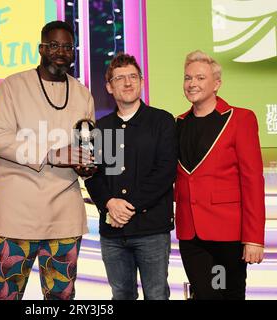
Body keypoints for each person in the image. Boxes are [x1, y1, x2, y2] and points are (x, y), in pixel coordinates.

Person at [0, 20, 95, 300]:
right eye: (54, 45)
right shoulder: (14, 85)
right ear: (41, 49)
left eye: (67, 47)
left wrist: (86, 165)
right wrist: (49, 154)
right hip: (17, 215)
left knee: (62, 298)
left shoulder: (83, 93)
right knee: (5, 295)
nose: (61, 52)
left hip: (65, 214)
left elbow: (86, 145)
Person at [84, 53, 177, 300]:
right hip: (112, 232)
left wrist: (126, 207)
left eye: (133, 77)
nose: (127, 83)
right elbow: (92, 175)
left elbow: (165, 172)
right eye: (120, 78)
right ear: (109, 87)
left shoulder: (162, 121)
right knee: (121, 295)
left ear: (142, 81)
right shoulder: (100, 128)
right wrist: (109, 204)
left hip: (152, 230)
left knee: (156, 295)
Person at [175, 50, 265, 300]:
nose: (192, 83)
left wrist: (254, 238)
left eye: (200, 78)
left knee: (228, 295)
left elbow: (253, 182)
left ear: (217, 83)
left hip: (228, 233)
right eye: (188, 78)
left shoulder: (240, 119)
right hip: (191, 235)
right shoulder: (178, 123)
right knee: (205, 295)